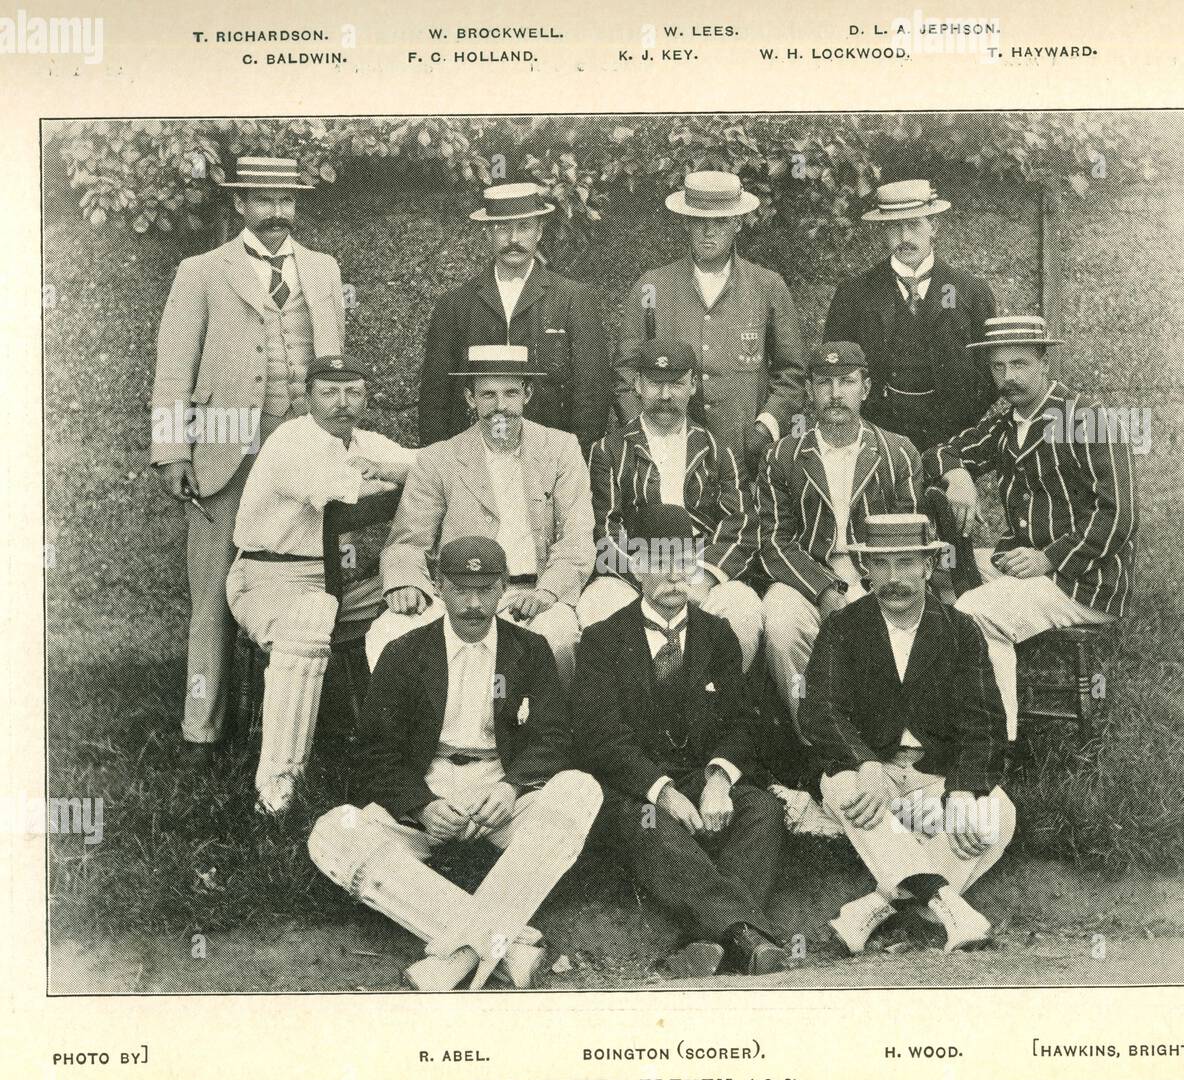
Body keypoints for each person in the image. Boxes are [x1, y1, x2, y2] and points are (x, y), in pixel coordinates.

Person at [310, 536, 603, 992]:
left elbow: (553, 738)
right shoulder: (404, 653)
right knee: (332, 834)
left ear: (505, 587)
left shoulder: (531, 649)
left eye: (486, 590)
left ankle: (456, 958)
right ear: (439, 586)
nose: (472, 604)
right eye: (460, 589)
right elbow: (374, 752)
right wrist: (421, 805)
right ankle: (506, 947)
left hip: (499, 791)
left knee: (580, 789)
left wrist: (513, 787)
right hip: (429, 786)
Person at [149, 156, 346, 767]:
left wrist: (337, 442)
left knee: (304, 582)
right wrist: (171, 451)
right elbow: (173, 370)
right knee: (211, 594)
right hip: (223, 451)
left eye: (285, 200)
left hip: (300, 458)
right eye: (262, 199)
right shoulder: (201, 272)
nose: (275, 213)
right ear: (240, 205)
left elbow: (335, 366)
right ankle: (202, 732)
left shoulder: (322, 270)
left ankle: (298, 727)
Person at [573, 504, 787, 979]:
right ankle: (744, 934)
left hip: (700, 779)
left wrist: (717, 779)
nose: (672, 577)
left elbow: (744, 721)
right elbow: (601, 738)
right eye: (658, 562)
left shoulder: (718, 634)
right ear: (633, 564)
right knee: (650, 824)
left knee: (763, 810)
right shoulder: (602, 640)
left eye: (682, 561)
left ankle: (702, 942)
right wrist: (662, 792)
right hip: (637, 792)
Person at [801, 514, 1014, 954]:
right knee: (844, 788)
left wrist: (960, 794)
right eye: (881, 565)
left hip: (934, 783)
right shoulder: (842, 628)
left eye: (905, 563)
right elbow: (821, 710)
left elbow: (984, 722)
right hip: (872, 779)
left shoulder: (960, 630)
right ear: (865, 570)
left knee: (998, 813)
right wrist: (866, 762)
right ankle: (947, 905)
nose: (893, 579)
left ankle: (877, 907)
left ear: (928, 566)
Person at [925, 316, 1138, 739]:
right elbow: (940, 452)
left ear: (1044, 362)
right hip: (1026, 562)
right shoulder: (1006, 421)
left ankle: (992, 743)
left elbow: (1120, 515)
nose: (1008, 378)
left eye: (1019, 364)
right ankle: (950, 719)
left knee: (975, 613)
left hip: (1085, 578)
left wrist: (1048, 557)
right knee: (935, 573)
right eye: (998, 367)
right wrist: (959, 475)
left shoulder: (1087, 419)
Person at [225, 355, 414, 815]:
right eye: (329, 392)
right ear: (308, 398)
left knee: (422, 608)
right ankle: (278, 789)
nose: (341, 404)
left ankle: (415, 766)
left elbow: (434, 470)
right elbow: (338, 488)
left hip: (346, 579)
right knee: (305, 628)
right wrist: (389, 474)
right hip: (273, 574)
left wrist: (392, 470)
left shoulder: (365, 441)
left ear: (366, 399)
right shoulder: (290, 440)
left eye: (352, 392)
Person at [367, 346, 595, 687]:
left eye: (511, 393)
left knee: (557, 636)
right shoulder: (438, 459)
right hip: (459, 593)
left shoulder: (560, 449)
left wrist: (548, 593)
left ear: (527, 394)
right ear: (469, 398)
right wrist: (406, 582)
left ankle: (549, 735)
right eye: (487, 394)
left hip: (532, 592)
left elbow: (577, 537)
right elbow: (408, 541)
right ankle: (423, 736)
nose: (500, 407)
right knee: (390, 632)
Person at [757, 342, 923, 733]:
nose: (835, 394)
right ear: (810, 392)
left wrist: (868, 589)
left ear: (865, 388)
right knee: (780, 626)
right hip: (805, 576)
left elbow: (909, 538)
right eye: (824, 383)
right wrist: (825, 590)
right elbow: (774, 542)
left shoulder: (897, 452)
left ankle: (879, 744)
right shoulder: (782, 456)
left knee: (890, 628)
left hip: (877, 574)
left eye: (846, 382)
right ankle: (815, 742)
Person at [579, 338, 763, 670]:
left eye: (676, 384)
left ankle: (716, 707)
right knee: (598, 605)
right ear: (637, 385)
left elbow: (741, 527)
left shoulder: (718, 449)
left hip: (700, 570)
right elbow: (604, 531)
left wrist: (702, 578)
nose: (665, 396)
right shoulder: (608, 450)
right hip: (634, 573)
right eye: (655, 384)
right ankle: (631, 713)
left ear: (693, 386)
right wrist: (650, 578)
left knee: (743, 608)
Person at [613, 171, 806, 475]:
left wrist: (765, 428)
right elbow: (626, 373)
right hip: (667, 456)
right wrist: (644, 436)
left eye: (720, 222)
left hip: (744, 458)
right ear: (687, 224)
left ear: (738, 223)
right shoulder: (652, 287)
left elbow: (792, 373)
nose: (709, 232)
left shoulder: (767, 286)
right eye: (700, 221)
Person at [415, 182, 610, 452]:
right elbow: (435, 397)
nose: (513, 239)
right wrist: (444, 466)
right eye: (503, 228)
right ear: (487, 234)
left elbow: (593, 393)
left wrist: (569, 461)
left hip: (548, 460)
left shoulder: (573, 299)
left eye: (524, 227)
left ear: (540, 231)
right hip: (472, 461)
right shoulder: (455, 304)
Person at [822, 179, 998, 453]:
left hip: (949, 441)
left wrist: (959, 427)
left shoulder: (970, 291)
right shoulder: (854, 294)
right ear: (883, 231)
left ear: (934, 227)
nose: (904, 237)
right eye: (894, 226)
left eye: (914, 224)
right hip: (876, 443)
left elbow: (990, 372)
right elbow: (834, 369)